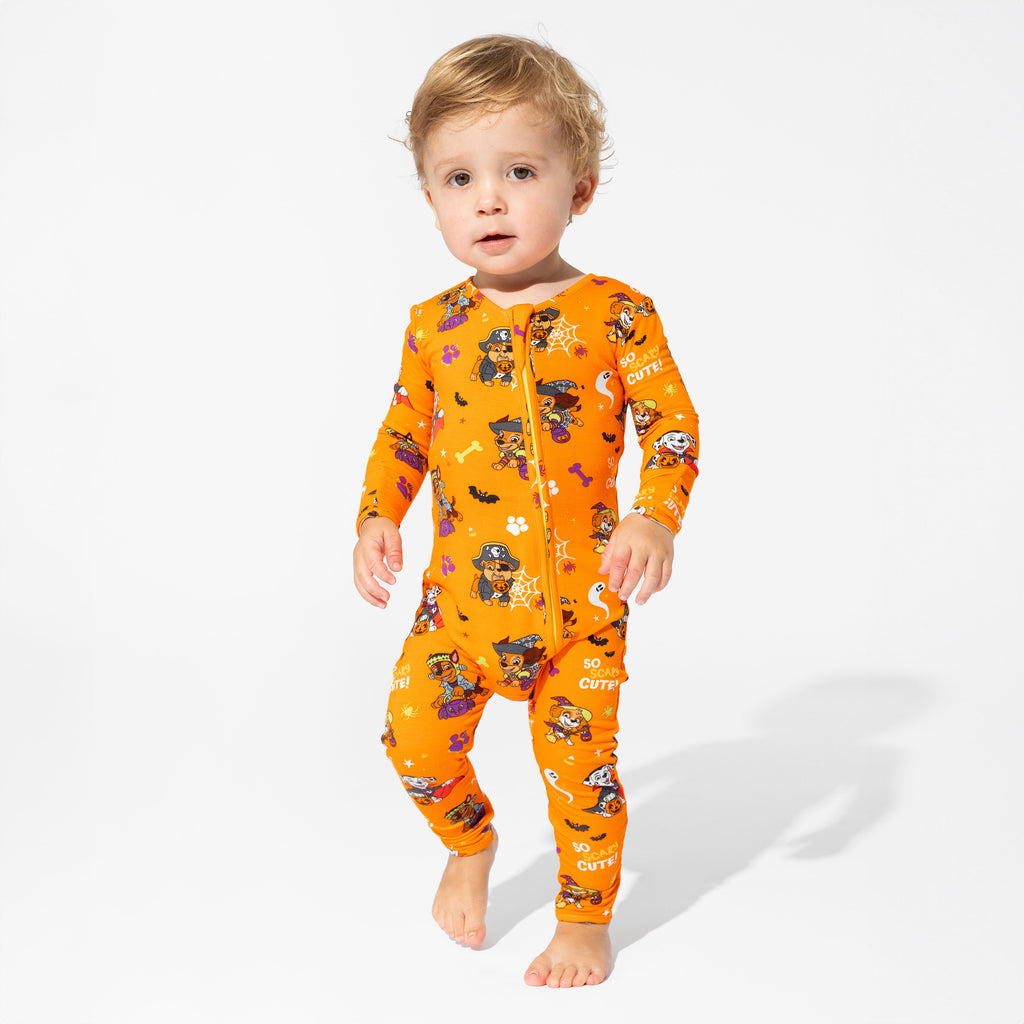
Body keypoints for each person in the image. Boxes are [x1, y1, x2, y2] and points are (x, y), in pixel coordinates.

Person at [352, 34, 700, 988]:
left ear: (579, 188)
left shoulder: (618, 315)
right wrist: (377, 515)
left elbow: (671, 424)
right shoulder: (433, 327)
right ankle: (469, 841)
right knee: (411, 737)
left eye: (519, 171)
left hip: (581, 612)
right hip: (458, 608)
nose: (489, 200)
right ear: (432, 199)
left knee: (582, 776)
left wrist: (654, 516)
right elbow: (404, 433)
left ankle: (584, 917)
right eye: (459, 178)